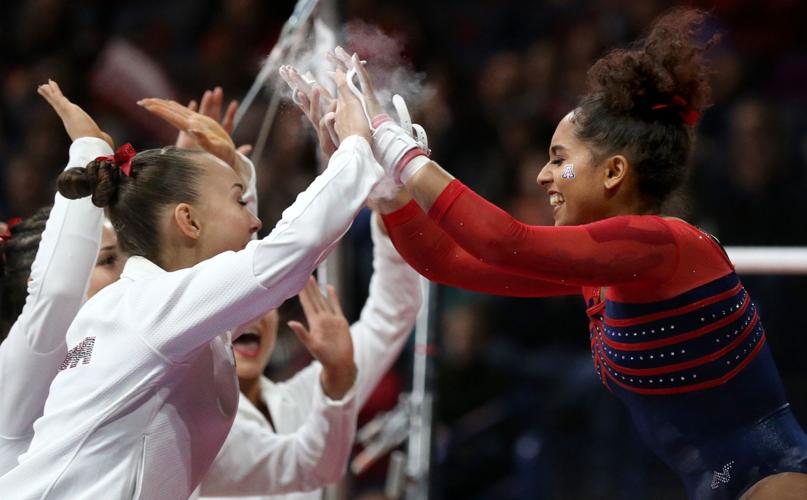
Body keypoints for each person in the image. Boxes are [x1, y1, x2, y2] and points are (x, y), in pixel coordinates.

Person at [338, 8, 807, 500]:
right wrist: (391, 192)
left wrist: (398, 149)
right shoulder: (603, 270)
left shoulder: (665, 245)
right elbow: (447, 262)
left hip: (773, 480)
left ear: (614, 172)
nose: (544, 176)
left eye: (559, 160)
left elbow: (501, 239)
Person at [0, 71, 381, 499]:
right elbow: (281, 258)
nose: (255, 220)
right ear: (188, 221)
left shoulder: (163, 315)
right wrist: (356, 149)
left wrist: (232, 173)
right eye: (239, 202)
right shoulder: (150, 311)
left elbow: (256, 272)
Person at [197, 208, 421, 499]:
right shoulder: (190, 426)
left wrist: (391, 213)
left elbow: (392, 316)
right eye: (236, 306)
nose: (250, 318)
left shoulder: (307, 396)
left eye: (261, 302)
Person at [0, 80, 115, 476]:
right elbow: (60, 289)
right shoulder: (21, 368)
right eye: (107, 260)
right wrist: (89, 149)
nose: (127, 270)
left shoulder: (107, 345)